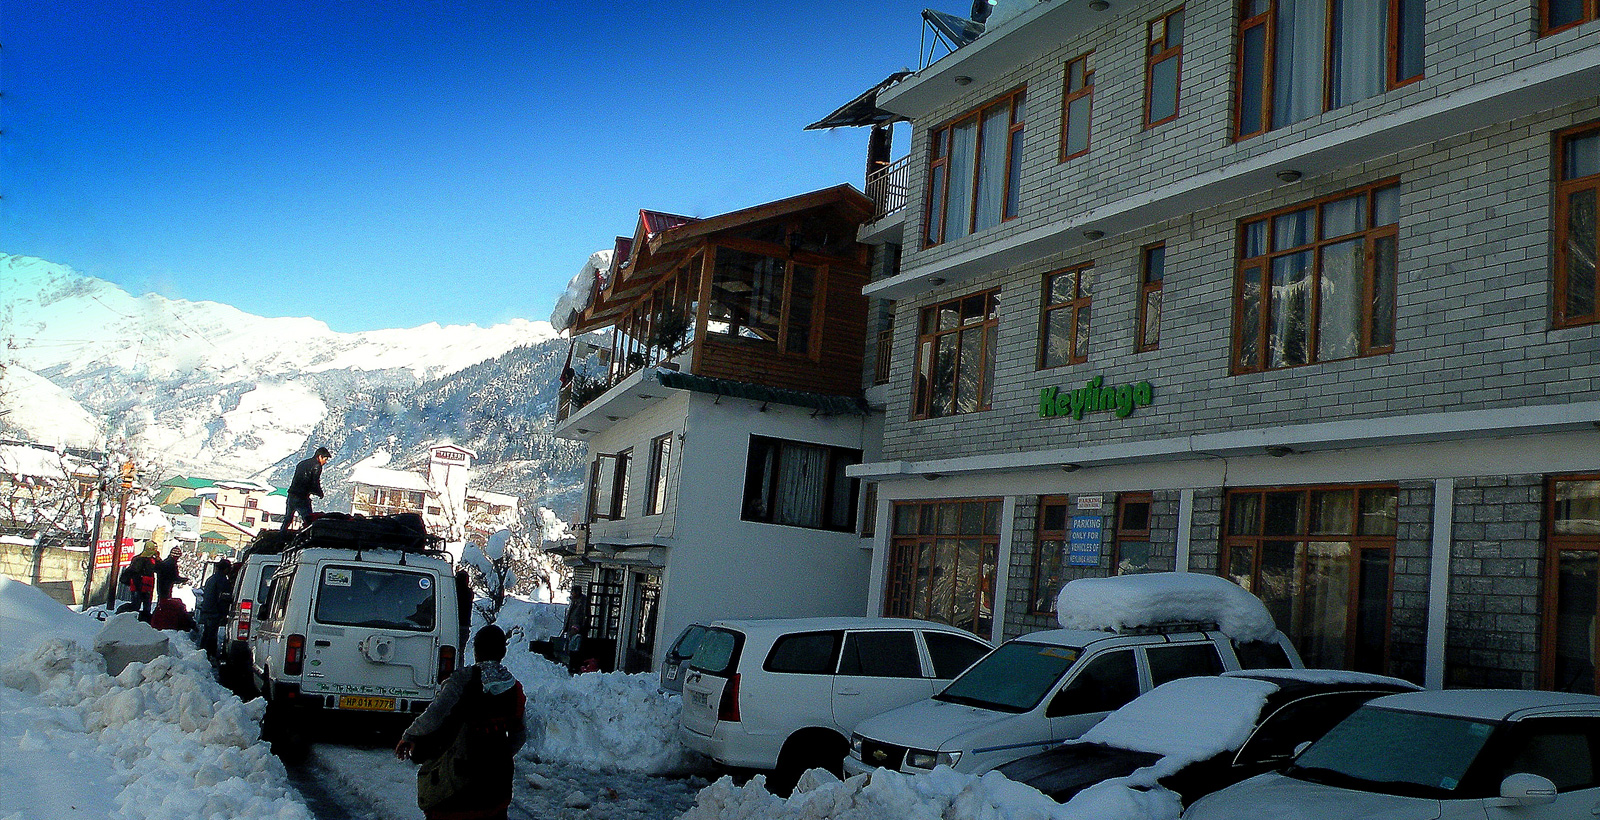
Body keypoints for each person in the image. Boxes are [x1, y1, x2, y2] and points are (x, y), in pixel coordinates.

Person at [395, 625, 526, 820]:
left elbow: (435, 713)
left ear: (476, 651)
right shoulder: (514, 688)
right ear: (503, 652)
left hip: (459, 777)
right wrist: (498, 755)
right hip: (497, 782)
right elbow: (519, 736)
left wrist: (410, 735)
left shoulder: (461, 680)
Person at [282, 447, 330, 530]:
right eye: (325, 459)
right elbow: (314, 482)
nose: (325, 462)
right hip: (302, 497)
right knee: (308, 520)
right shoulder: (317, 466)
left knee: (287, 519)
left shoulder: (302, 463)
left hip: (292, 494)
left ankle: (280, 536)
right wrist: (319, 493)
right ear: (320, 457)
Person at [196, 558, 234, 658]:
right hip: (215, 611)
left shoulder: (211, 579)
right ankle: (209, 654)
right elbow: (223, 598)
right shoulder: (222, 581)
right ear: (225, 569)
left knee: (207, 633)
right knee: (212, 635)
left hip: (207, 610)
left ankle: (202, 653)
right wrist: (224, 612)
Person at [122, 545, 160, 620]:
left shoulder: (137, 558)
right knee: (142, 605)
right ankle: (140, 620)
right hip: (143, 585)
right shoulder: (150, 561)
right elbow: (158, 568)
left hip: (141, 586)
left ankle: (137, 619)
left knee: (138, 605)